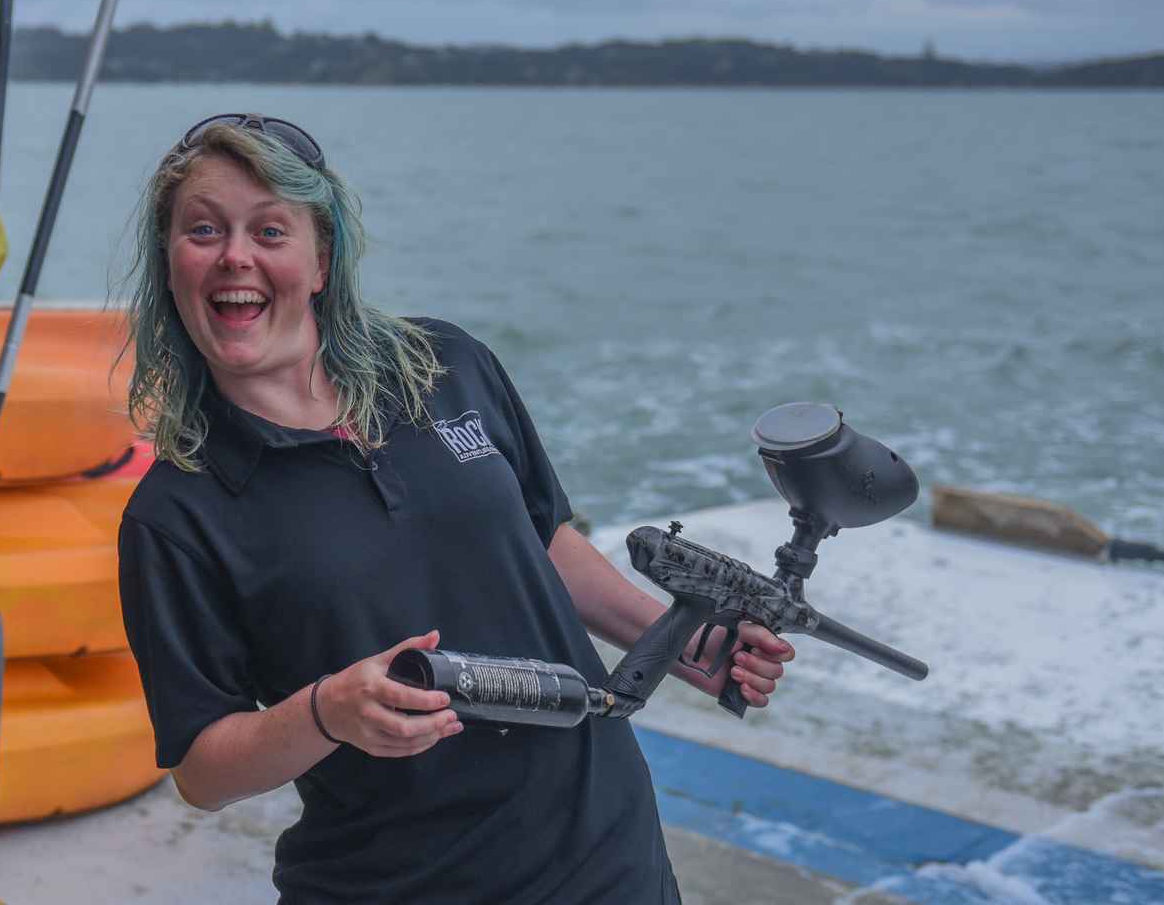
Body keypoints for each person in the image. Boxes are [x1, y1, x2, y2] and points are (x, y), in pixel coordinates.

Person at [116, 114, 795, 903]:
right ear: (170, 267)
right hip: (401, 884)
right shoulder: (177, 514)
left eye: (271, 230)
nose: (237, 255)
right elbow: (202, 770)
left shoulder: (445, 364)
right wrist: (327, 711)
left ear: (321, 260)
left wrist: (684, 641)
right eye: (203, 230)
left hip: (606, 852)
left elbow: (543, 543)